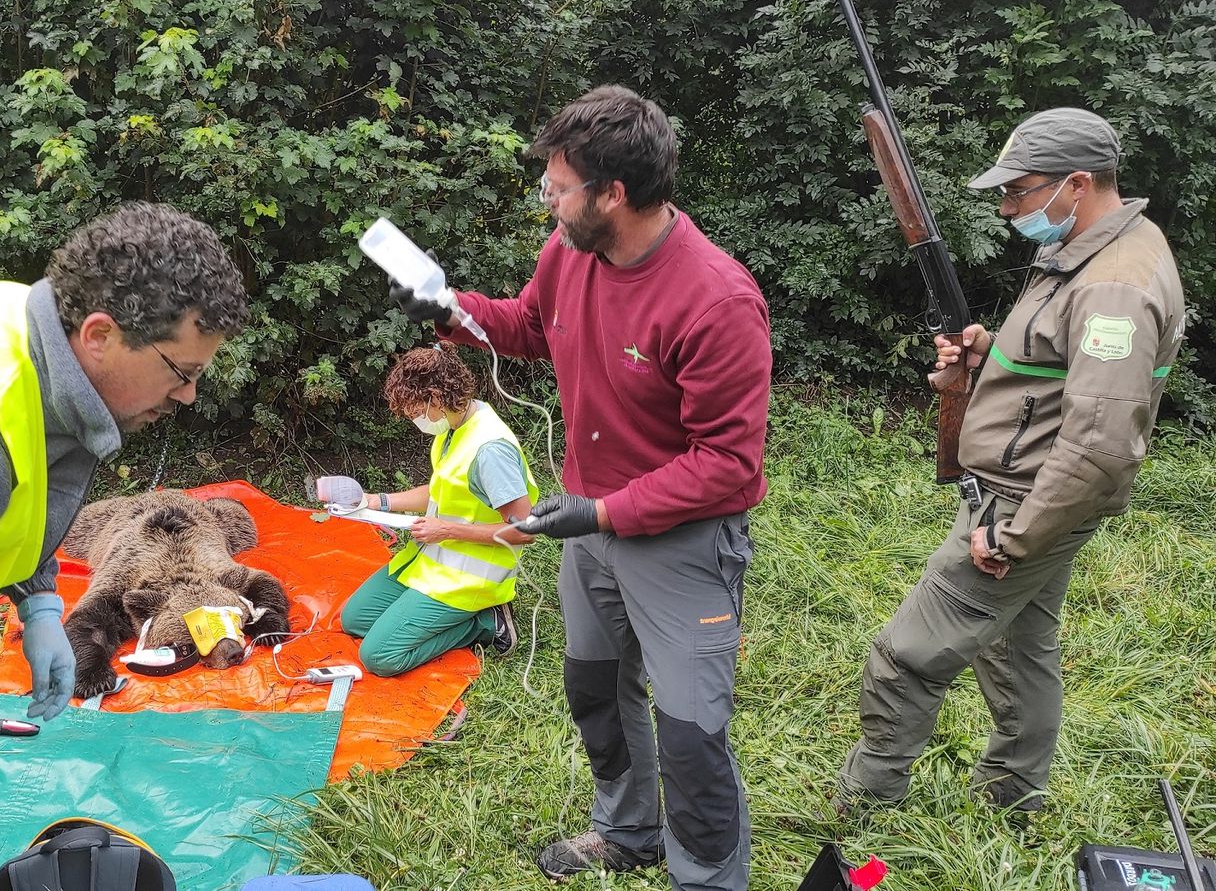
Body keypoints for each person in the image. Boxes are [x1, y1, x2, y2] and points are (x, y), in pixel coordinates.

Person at [391, 86, 771, 890]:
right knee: (595, 692)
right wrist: (452, 309)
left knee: (694, 736)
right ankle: (628, 831)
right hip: (587, 526)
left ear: (614, 193)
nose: (548, 202)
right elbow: (532, 325)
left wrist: (603, 510)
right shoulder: (572, 253)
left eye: (559, 188)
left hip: (680, 542)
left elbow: (728, 465)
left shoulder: (716, 299)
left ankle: (707, 879)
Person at [0, 202, 249, 889]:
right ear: (101, 334)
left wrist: (40, 604)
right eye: (180, 370)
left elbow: (34, 483)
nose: (188, 396)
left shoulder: (37, 343)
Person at [838, 107, 1186, 813]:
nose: (1007, 209)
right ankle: (1015, 797)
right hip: (1029, 495)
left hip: (1022, 504)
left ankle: (868, 811)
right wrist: (989, 353)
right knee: (1019, 649)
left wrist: (1015, 535)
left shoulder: (1112, 285)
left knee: (906, 658)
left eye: (1019, 191)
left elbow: (1101, 442)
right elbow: (1066, 375)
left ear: (1078, 183)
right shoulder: (1096, 250)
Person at [325, 344, 537, 676]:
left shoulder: (490, 451)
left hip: (469, 579)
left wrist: (446, 530)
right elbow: (441, 491)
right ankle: (439, 615)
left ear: (435, 399)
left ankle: (486, 622)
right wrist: (375, 501)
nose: (415, 421)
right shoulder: (456, 428)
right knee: (355, 619)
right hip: (432, 561)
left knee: (379, 656)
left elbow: (526, 531)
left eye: (414, 413)